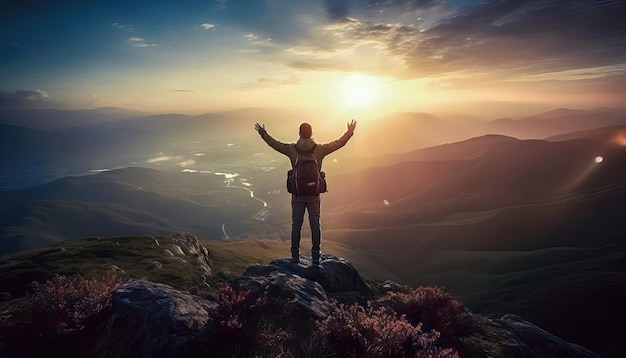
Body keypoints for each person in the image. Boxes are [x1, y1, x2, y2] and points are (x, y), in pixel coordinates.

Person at [254, 120, 357, 265]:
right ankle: (316, 257)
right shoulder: (320, 149)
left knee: (296, 225)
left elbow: (274, 144)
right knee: (315, 225)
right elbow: (339, 143)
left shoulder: (291, 149)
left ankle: (295, 256)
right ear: (311, 133)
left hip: (297, 195)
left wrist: (263, 133)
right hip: (314, 195)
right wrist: (349, 132)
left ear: (299, 133)